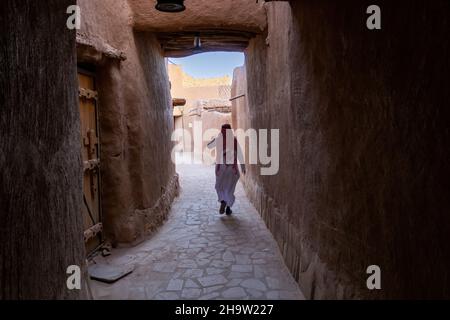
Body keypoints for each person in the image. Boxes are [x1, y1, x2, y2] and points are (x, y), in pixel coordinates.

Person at [207, 124, 246, 215]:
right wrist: (243, 167)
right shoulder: (234, 140)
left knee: (220, 186)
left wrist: (215, 138)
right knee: (230, 188)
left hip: (221, 168)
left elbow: (209, 146)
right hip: (232, 169)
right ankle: (228, 208)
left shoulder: (218, 140)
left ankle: (223, 201)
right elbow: (239, 154)